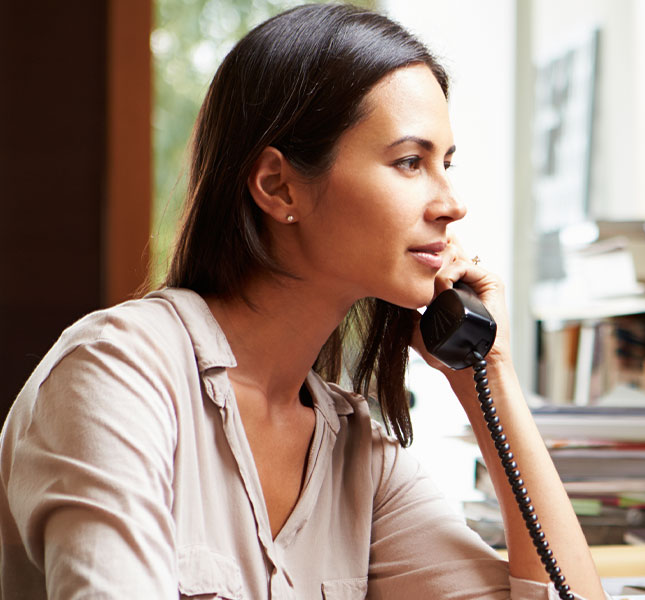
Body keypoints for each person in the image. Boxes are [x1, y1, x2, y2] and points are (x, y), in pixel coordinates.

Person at [0, 4, 604, 599]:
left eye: (445, 164)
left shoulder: (356, 456)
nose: (451, 203)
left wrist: (488, 374)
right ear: (278, 185)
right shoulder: (118, 376)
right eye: (409, 162)